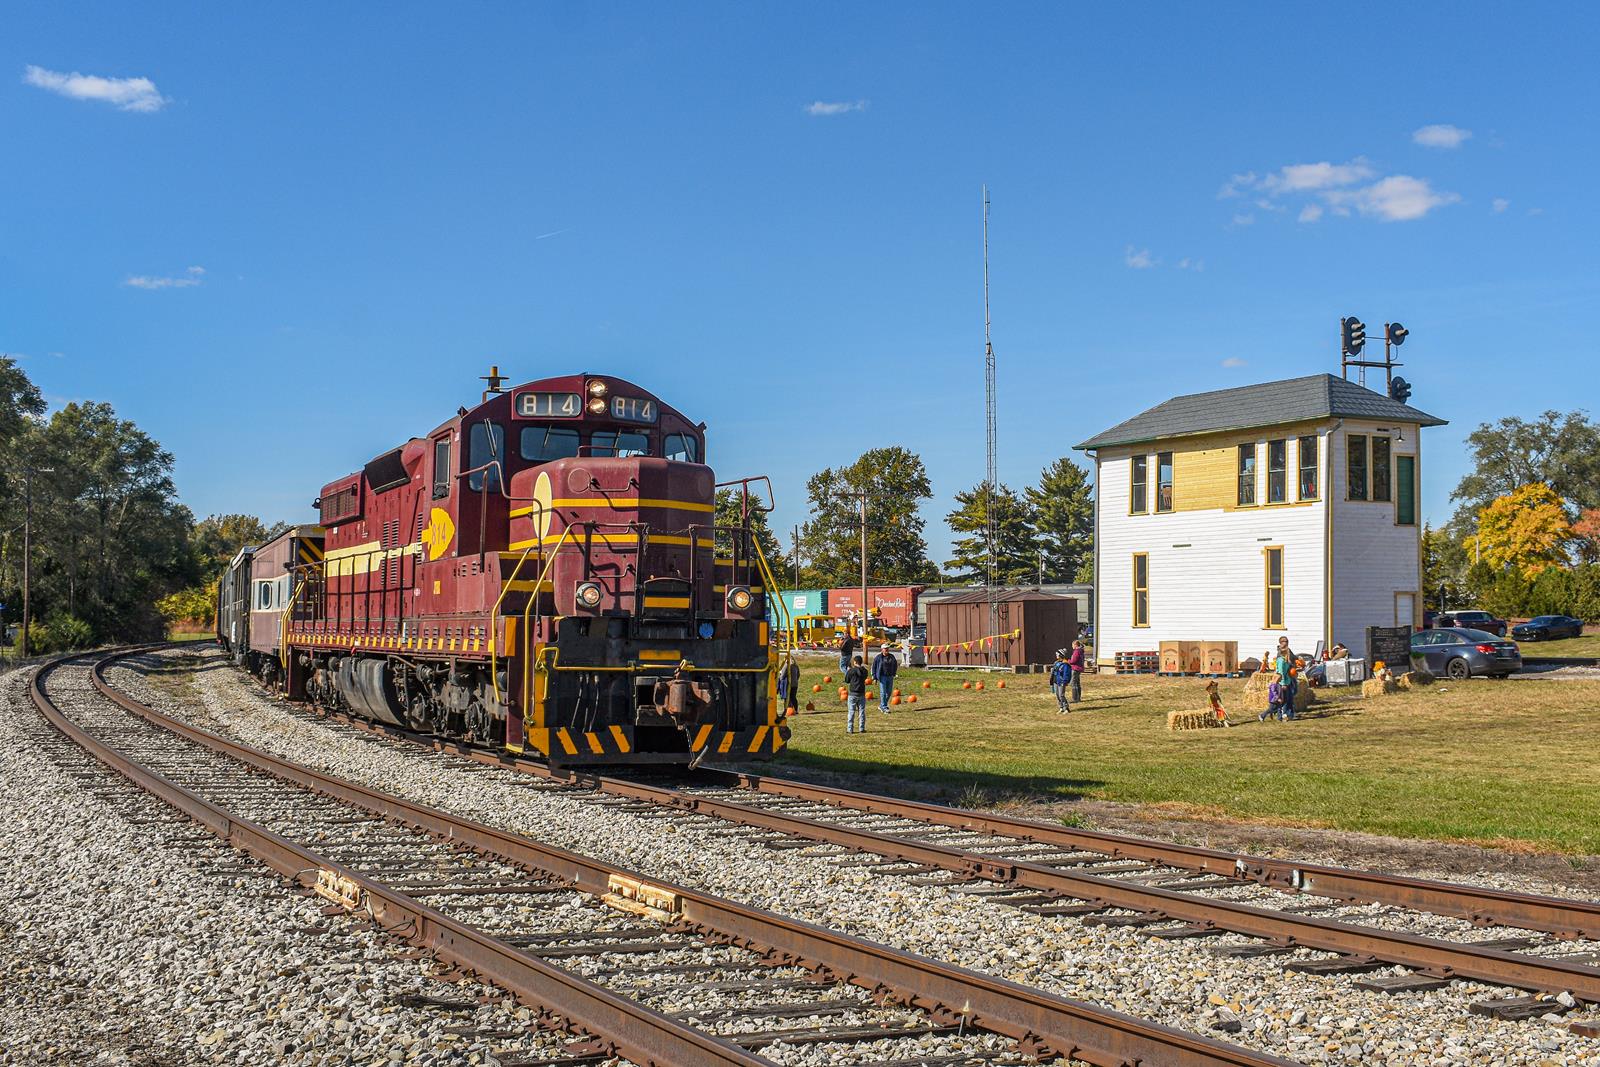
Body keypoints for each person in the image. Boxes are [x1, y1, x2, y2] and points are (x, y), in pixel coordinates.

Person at [844, 655, 870, 734]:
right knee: (862, 711)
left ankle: (850, 729)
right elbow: (864, 676)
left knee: (851, 711)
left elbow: (847, 680)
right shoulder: (865, 671)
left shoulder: (851, 671)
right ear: (861, 662)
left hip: (852, 693)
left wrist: (848, 670)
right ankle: (861, 728)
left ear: (854, 662)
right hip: (861, 693)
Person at [871, 644, 899, 714]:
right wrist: (874, 677)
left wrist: (894, 673)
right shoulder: (878, 657)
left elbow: (895, 664)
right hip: (882, 676)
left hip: (890, 676)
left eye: (887, 649)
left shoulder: (892, 656)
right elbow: (874, 667)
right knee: (883, 692)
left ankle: (881, 705)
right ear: (882, 650)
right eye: (885, 649)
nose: (886, 650)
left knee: (889, 692)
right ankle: (884, 707)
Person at [1068, 639, 1086, 705]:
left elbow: (1073, 661)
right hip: (1079, 668)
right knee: (1077, 683)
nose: (1072, 646)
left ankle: (1075, 698)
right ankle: (1078, 698)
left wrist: (1068, 661)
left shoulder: (1076, 651)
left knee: (1073, 683)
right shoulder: (1081, 651)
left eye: (1072, 645)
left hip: (1075, 668)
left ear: (1075, 645)